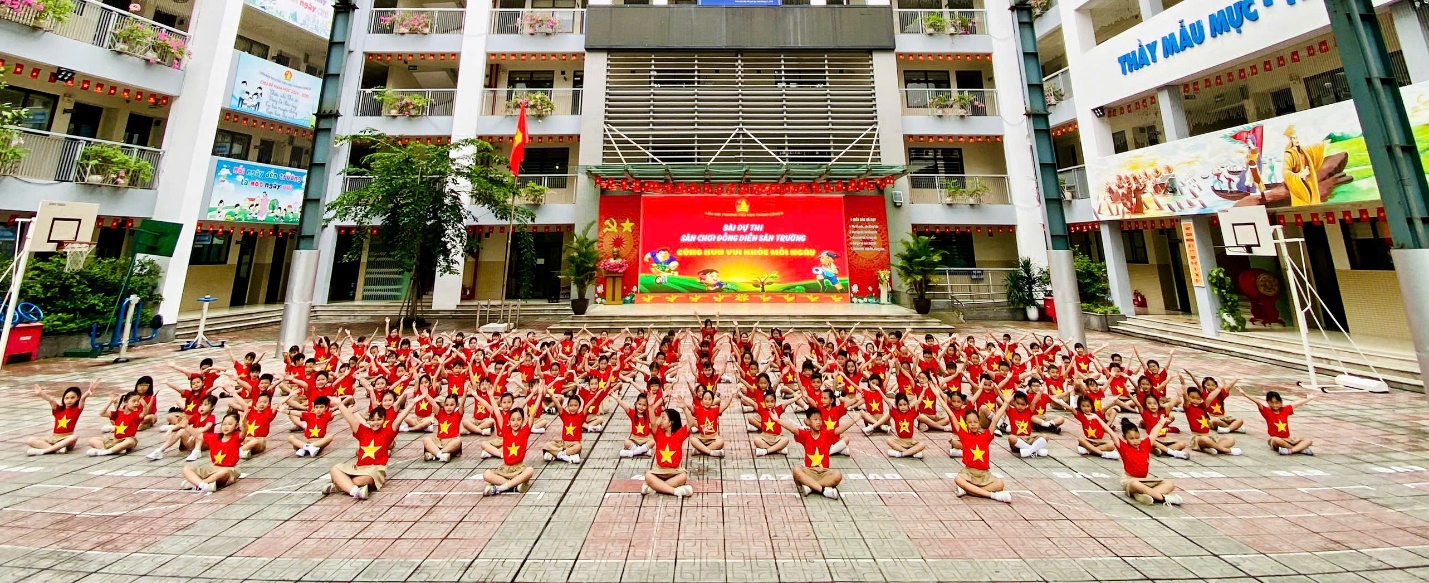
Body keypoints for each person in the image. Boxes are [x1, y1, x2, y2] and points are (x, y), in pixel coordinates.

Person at [323, 396, 416, 500]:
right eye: (372, 420)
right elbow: (350, 419)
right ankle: (355, 491)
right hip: (358, 468)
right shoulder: (363, 431)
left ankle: (340, 485)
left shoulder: (388, 432)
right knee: (335, 469)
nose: (375, 423)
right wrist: (340, 404)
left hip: (374, 470)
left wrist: (413, 403)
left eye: (379, 420)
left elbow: (400, 417)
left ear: (384, 420)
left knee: (364, 480)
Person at [1098, 416, 1184, 506]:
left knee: (1169, 483)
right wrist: (1097, 418)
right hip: (1130, 480)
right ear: (1124, 437)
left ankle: (1145, 494)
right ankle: (1163, 498)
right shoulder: (1123, 447)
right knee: (1135, 484)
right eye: (1131, 439)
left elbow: (1154, 433)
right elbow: (1110, 432)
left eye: (1137, 437)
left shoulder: (1145, 445)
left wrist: (1161, 421)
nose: (1135, 441)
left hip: (1144, 480)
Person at [782, 406, 854, 499]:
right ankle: (823, 490)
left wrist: (854, 420)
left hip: (824, 472)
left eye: (820, 419)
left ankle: (811, 487)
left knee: (838, 475)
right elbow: (792, 429)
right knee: (796, 470)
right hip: (809, 471)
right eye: (815, 419)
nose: (818, 422)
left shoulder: (826, 434)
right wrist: (777, 420)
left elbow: (840, 429)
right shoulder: (805, 435)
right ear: (807, 421)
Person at [954, 400, 1012, 503]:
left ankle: (969, 490)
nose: (973, 424)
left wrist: (1006, 403)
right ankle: (992, 496)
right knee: (958, 479)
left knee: (1000, 484)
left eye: (975, 421)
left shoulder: (986, 436)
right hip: (969, 472)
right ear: (966, 424)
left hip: (984, 474)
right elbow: (951, 415)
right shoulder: (964, 435)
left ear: (979, 422)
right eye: (970, 422)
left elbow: (995, 420)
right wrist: (938, 396)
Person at [181, 411, 244, 493]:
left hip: (229, 468)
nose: (226, 427)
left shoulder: (236, 437)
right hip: (213, 467)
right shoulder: (215, 437)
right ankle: (203, 485)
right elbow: (199, 435)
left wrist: (244, 421)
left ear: (236, 426)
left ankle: (198, 484)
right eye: (224, 424)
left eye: (230, 424)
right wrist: (186, 426)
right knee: (186, 469)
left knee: (224, 472)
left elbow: (244, 431)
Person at [26, 381, 96, 456]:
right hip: (54, 438)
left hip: (66, 439)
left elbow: (82, 399)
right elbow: (51, 400)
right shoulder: (58, 410)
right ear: (63, 399)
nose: (69, 400)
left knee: (74, 437)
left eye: (72, 398)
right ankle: (56, 449)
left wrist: (89, 391)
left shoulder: (76, 410)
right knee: (30, 440)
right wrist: (41, 393)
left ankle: (44, 451)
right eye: (67, 398)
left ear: (77, 398)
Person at [1238, 389, 1316, 455]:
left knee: (1308, 441)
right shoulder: (1266, 411)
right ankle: (1300, 449)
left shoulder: (1285, 410)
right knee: (1275, 439)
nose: (1275, 405)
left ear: (1281, 402)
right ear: (1268, 402)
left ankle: (1291, 450)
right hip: (1277, 441)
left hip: (1288, 439)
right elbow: (1257, 402)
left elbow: (1296, 404)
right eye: (1272, 403)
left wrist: (1308, 399)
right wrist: (1244, 394)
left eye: (1277, 403)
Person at [481, 400, 535, 496]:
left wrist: (539, 395)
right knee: (487, 474)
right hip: (505, 469)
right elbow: (498, 414)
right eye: (513, 420)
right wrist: (490, 396)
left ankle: (501, 488)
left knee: (530, 470)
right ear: (509, 421)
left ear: (523, 421)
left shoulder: (524, 432)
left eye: (519, 419)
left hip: (518, 469)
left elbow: (533, 413)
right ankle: (514, 485)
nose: (516, 422)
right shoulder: (506, 431)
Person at [146, 395, 217, 461]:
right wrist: (171, 429)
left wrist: (195, 433)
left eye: (205, 405)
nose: (202, 407)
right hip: (191, 442)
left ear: (212, 407)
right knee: (182, 431)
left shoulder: (211, 417)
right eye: (201, 405)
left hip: (204, 443)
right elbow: (183, 424)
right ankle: (160, 450)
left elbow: (207, 427)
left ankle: (197, 451)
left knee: (200, 433)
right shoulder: (197, 415)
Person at [642, 405, 693, 497]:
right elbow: (653, 422)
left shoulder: (679, 435)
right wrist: (650, 406)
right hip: (659, 471)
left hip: (675, 471)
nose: (660, 420)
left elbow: (690, 422)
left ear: (671, 422)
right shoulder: (658, 434)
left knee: (683, 476)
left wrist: (685, 408)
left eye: (664, 418)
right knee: (648, 475)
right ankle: (675, 491)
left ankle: (654, 488)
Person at [87, 392, 144, 456]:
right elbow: (102, 413)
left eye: (138, 401)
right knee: (92, 440)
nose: (136, 403)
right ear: (125, 403)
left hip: (127, 440)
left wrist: (145, 405)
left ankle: (105, 452)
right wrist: (110, 402)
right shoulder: (119, 413)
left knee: (130, 441)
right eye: (134, 401)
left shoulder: (136, 414)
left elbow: (144, 413)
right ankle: (117, 450)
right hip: (115, 440)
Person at [685, 387, 734, 458]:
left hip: (713, 438)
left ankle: (700, 451)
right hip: (702, 438)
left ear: (712, 401)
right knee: (693, 440)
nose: (707, 401)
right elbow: (689, 406)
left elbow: (725, 405)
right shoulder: (698, 409)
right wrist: (682, 401)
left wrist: (731, 395)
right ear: (701, 401)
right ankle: (711, 452)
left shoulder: (715, 410)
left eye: (709, 399)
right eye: (705, 399)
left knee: (721, 442)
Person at [542, 391, 589, 464]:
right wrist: (551, 395)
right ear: (567, 406)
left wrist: (595, 397)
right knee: (546, 445)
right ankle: (565, 457)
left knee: (578, 447)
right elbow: (558, 405)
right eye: (571, 405)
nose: (573, 408)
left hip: (573, 444)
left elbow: (587, 406)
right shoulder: (565, 415)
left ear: (579, 406)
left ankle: (557, 455)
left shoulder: (580, 416)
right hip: (563, 444)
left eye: (575, 405)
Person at [422, 394, 465, 462]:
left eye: (452, 405)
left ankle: (434, 454)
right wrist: (426, 394)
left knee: (458, 441)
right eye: (446, 405)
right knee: (426, 439)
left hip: (451, 442)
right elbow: (433, 403)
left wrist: (465, 392)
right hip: (439, 441)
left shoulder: (457, 414)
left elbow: (462, 404)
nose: (449, 407)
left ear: (456, 405)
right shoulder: (440, 413)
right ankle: (441, 455)